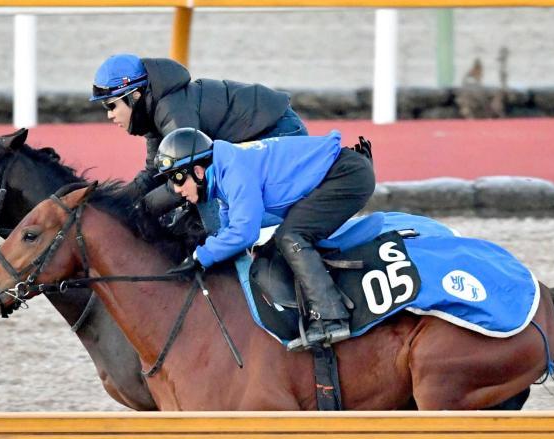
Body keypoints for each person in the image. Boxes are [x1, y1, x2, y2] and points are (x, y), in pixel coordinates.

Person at [155, 128, 375, 350]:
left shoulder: (234, 171)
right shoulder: (222, 175)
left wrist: (200, 256)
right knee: (268, 252)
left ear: (199, 171)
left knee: (291, 237)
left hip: (346, 176)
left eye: (178, 178)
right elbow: (229, 229)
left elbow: (244, 232)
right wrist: (206, 255)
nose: (175, 189)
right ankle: (301, 317)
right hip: (336, 175)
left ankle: (331, 317)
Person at [90, 54, 308, 206]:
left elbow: (185, 174)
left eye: (111, 105)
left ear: (135, 96)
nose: (110, 114)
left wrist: (142, 208)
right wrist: (112, 202)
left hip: (280, 131)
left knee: (210, 198)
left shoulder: (171, 109)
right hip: (266, 129)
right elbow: (153, 175)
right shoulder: (153, 112)